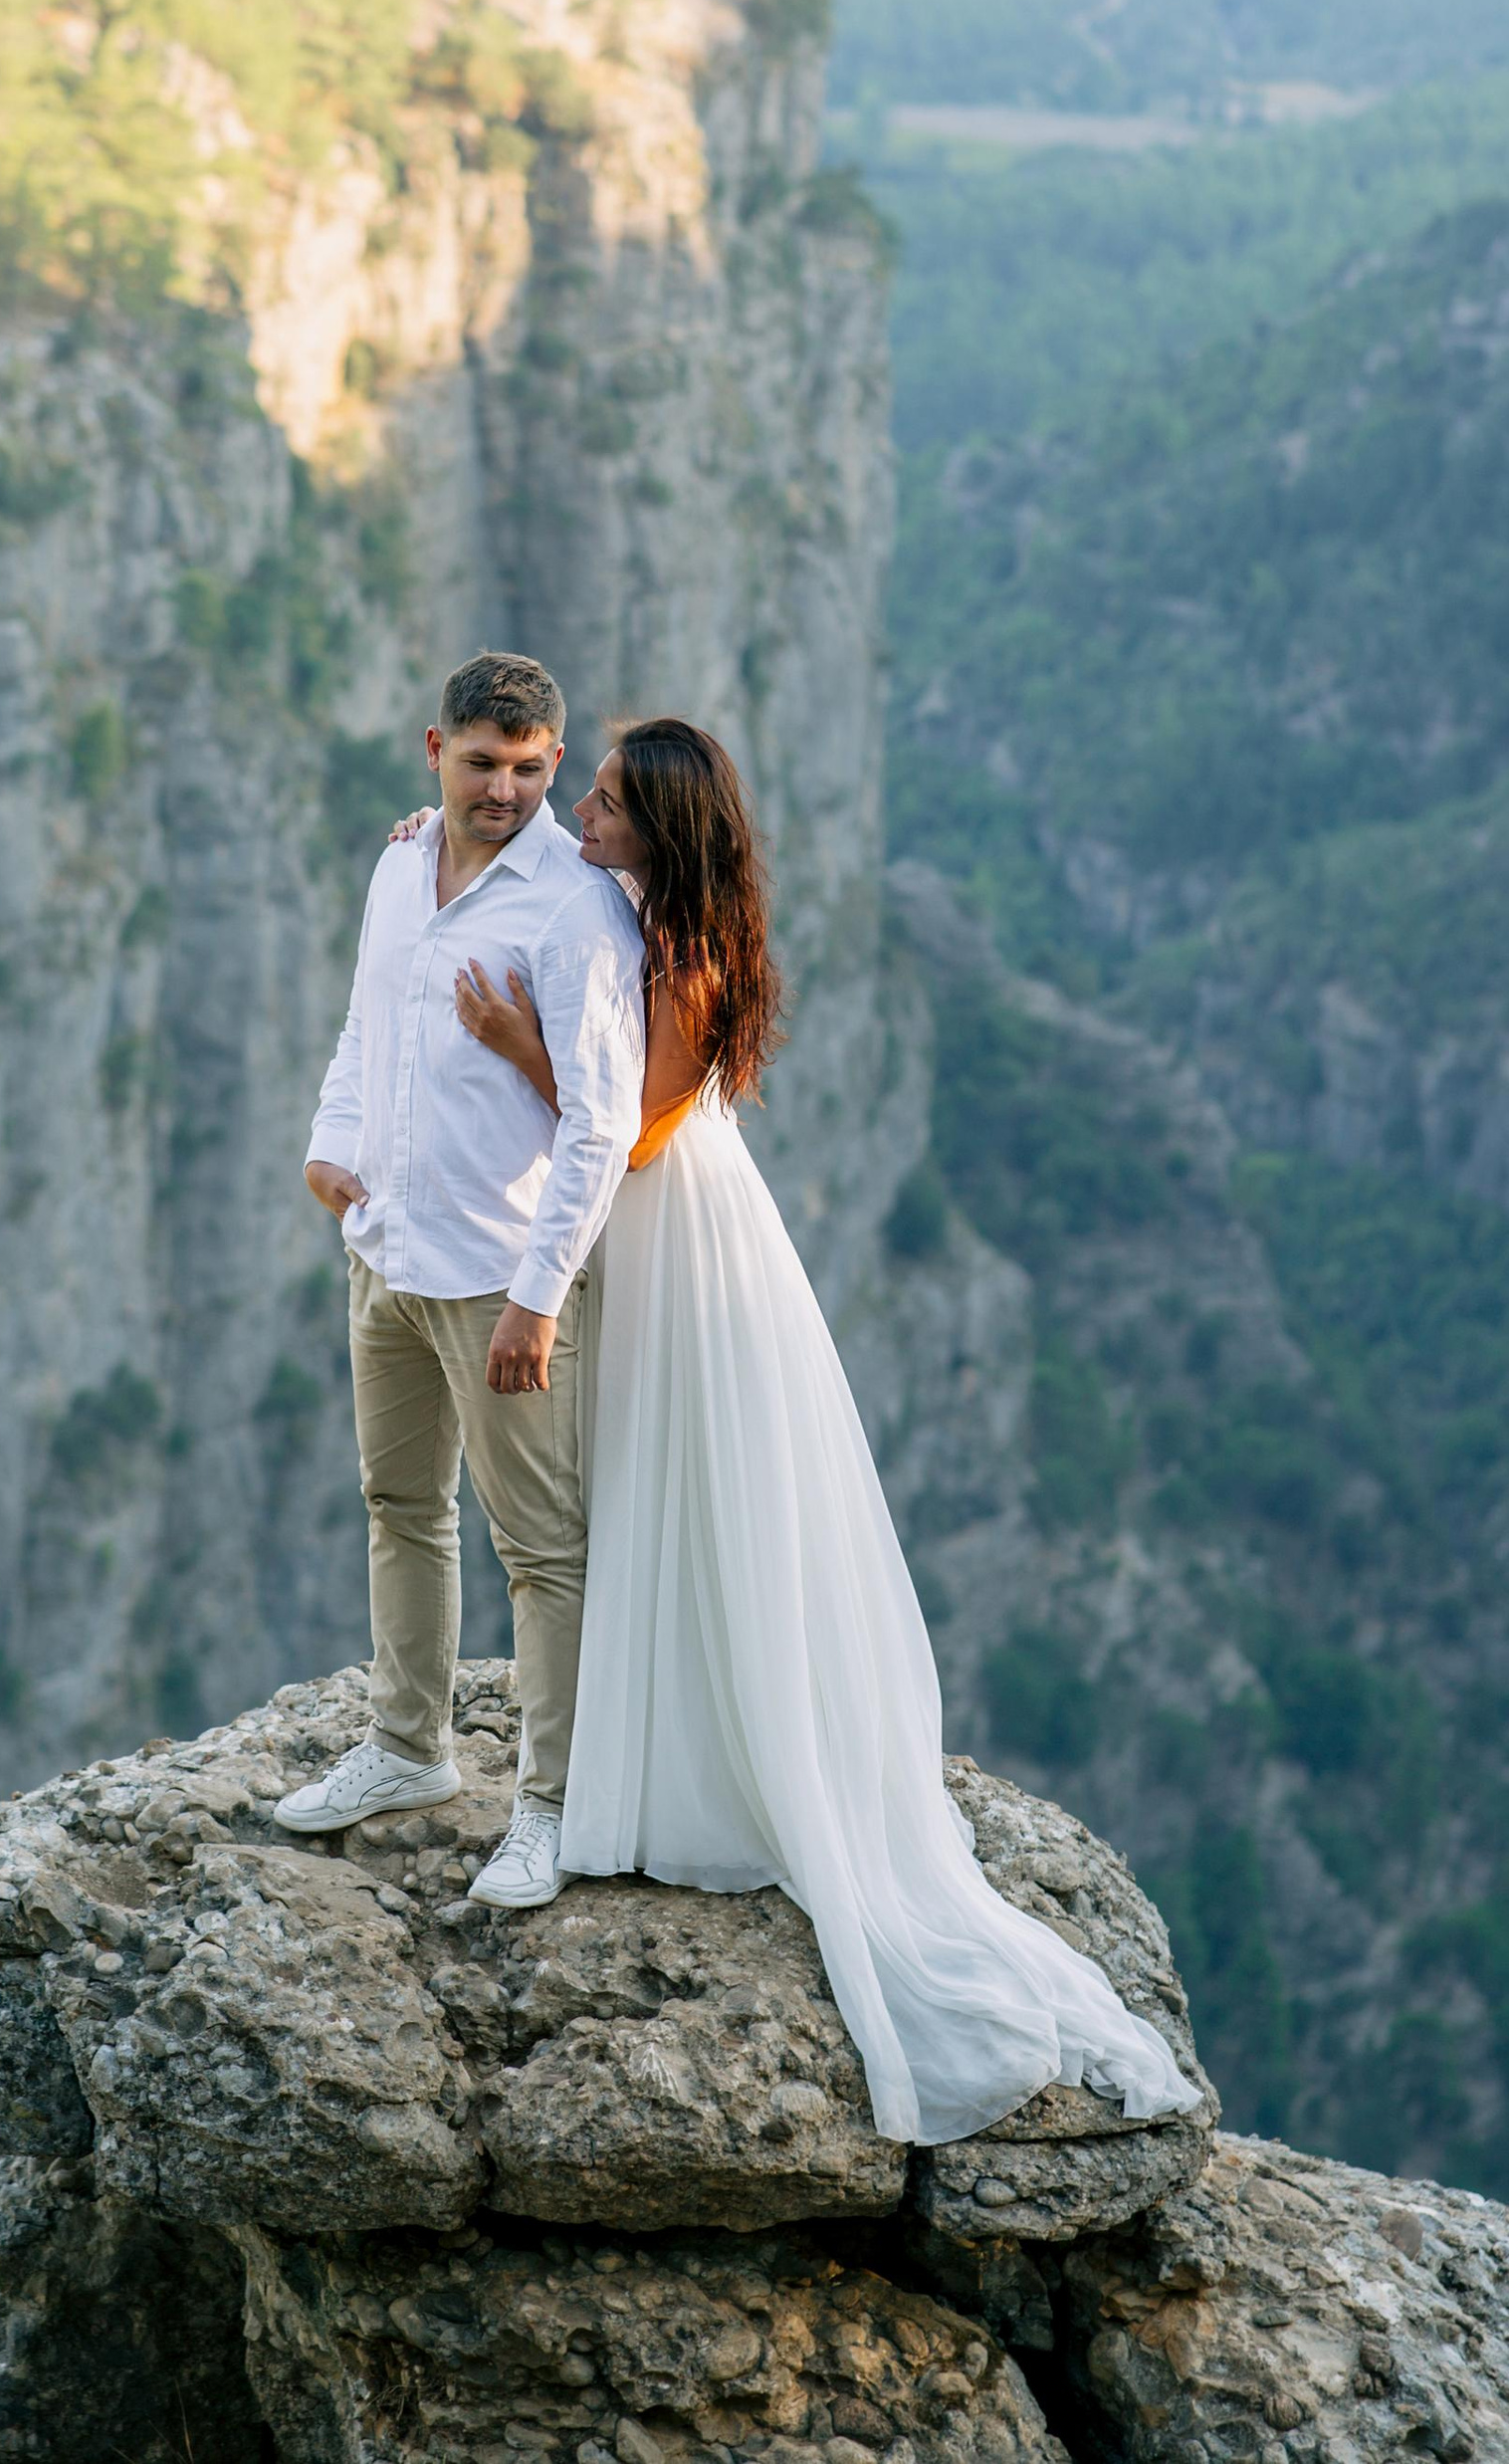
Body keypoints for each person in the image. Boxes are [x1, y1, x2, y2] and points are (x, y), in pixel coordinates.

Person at [425, 717, 1205, 2144]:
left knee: (692, 1485)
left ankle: (711, 1768)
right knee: (654, 1491)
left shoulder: (687, 955)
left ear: (662, 835)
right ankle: (655, 1751)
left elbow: (634, 1132)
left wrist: (512, 1039)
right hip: (649, 1237)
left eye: (606, 804)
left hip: (679, 1236)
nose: (580, 815)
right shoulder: (644, 911)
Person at [276, 651, 647, 1909]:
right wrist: (330, 1147)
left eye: (529, 769)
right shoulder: (399, 865)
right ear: (435, 750)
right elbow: (367, 1023)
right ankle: (406, 1747)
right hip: (386, 1248)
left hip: (501, 1272)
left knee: (541, 1550)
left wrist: (539, 1299)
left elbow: (600, 1124)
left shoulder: (576, 909)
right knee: (398, 1504)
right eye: (482, 763)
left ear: (554, 762)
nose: (504, 790)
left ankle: (551, 1807)